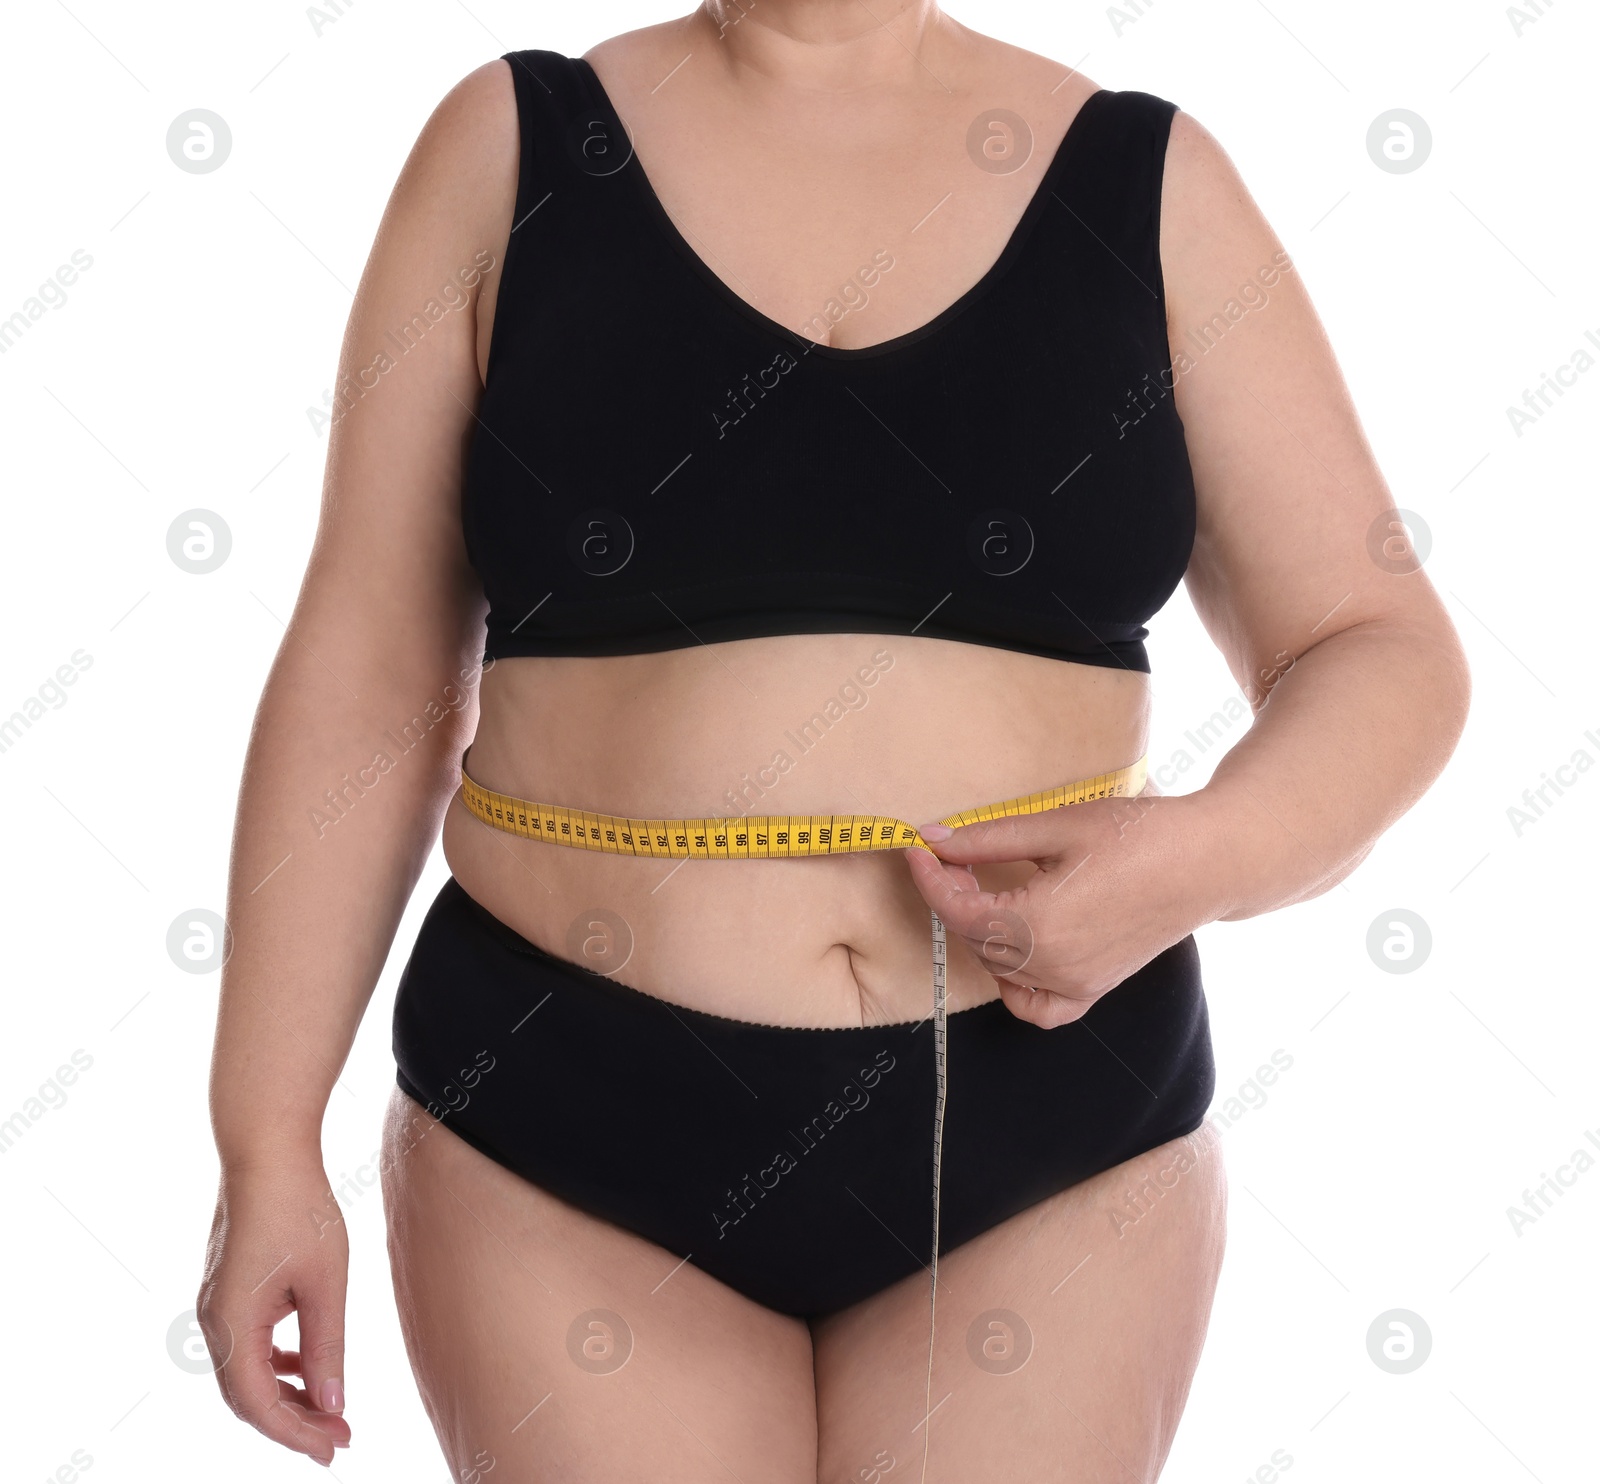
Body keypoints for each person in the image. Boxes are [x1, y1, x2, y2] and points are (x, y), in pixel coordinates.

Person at [196, 3, 1470, 1478]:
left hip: (1045, 1129)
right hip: (568, 1117)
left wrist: (1196, 858)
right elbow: (370, 668)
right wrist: (264, 1142)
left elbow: (1381, 652)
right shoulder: (508, 148)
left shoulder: (1147, 178)